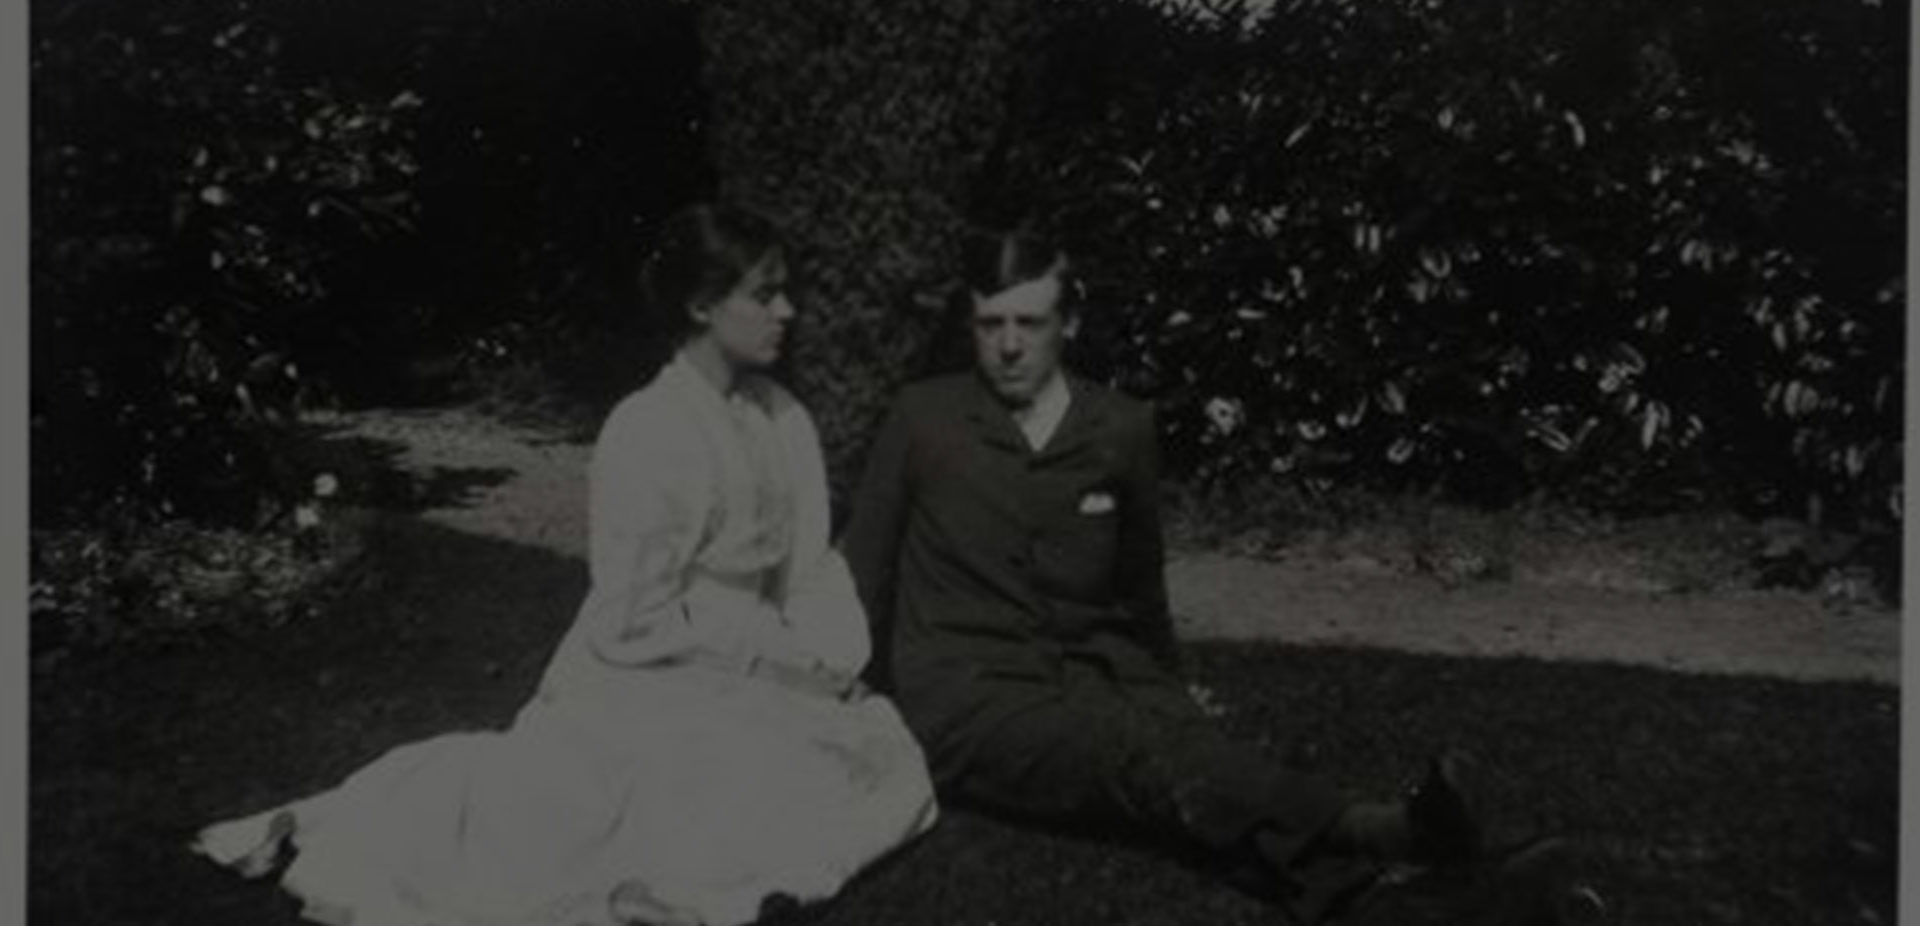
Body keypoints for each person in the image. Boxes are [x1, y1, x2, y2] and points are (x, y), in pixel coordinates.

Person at [192, 204, 939, 926]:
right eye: (765, 294)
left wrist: (821, 657)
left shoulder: (781, 417)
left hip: (765, 656)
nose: (788, 311)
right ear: (702, 305)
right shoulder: (647, 429)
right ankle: (672, 892)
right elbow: (633, 618)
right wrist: (756, 660)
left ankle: (707, 894)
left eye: (785, 292)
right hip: (655, 664)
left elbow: (807, 563)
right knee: (660, 792)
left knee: (876, 769)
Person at [842, 226, 1574, 924]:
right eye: (989, 324)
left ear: (1069, 323)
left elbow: (1139, 592)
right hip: (969, 702)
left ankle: (1386, 908)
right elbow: (858, 579)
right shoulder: (923, 419)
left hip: (1093, 675)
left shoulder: (1119, 428)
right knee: (1143, 761)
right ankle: (1385, 829)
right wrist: (842, 702)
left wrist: (1166, 690)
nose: (1008, 346)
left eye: (1029, 323)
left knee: (1184, 777)